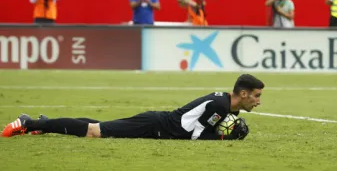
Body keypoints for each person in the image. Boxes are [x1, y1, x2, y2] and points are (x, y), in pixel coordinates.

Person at [2, 74, 263, 140]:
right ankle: (29, 123)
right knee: (95, 131)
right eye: (256, 95)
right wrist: (220, 136)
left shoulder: (229, 106)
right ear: (243, 93)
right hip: (155, 125)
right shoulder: (220, 104)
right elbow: (194, 135)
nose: (258, 101)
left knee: (97, 125)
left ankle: (46, 124)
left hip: (157, 125)